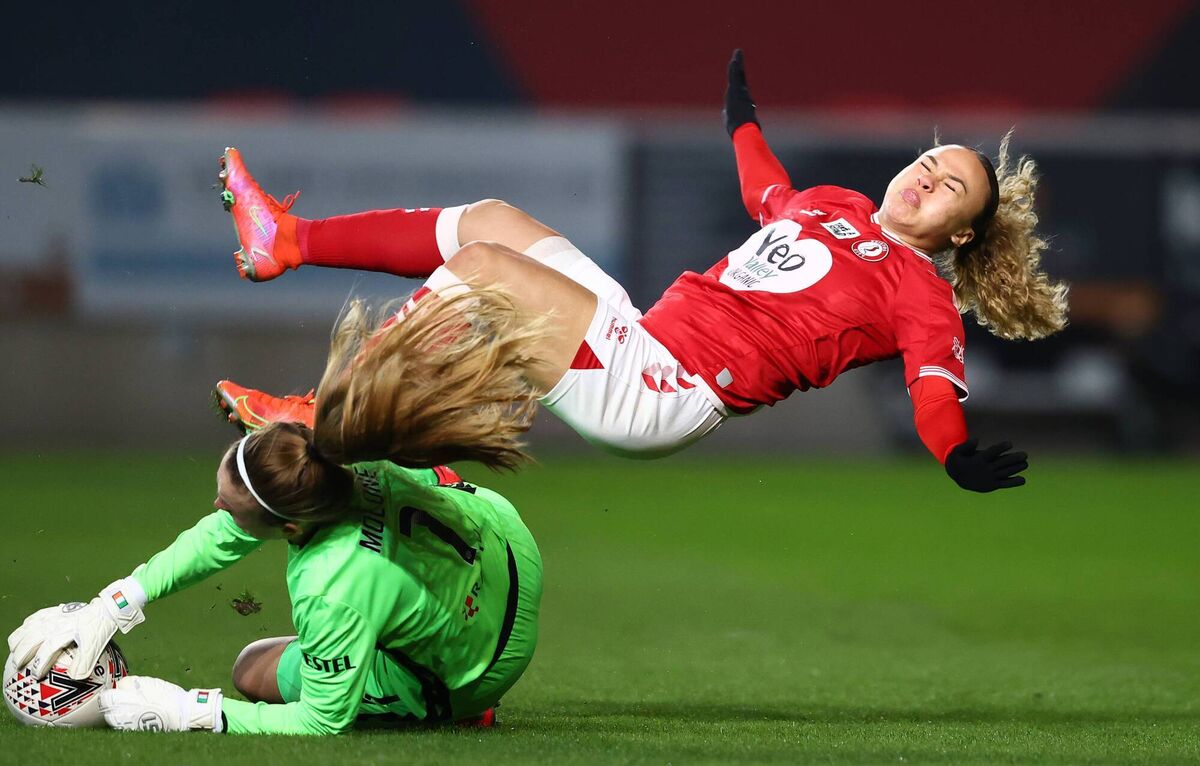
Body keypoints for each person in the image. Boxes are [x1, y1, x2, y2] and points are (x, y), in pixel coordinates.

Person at [217, 50, 1067, 493]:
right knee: (489, 222)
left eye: (952, 184)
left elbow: (932, 390)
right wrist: (742, 117)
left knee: (482, 266)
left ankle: (321, 412)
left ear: (960, 233)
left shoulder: (920, 292)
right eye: (930, 160)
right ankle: (285, 241)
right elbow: (766, 189)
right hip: (645, 336)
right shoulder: (836, 204)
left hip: (666, 391)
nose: (927, 176)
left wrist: (953, 457)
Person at [6, 294, 545, 735]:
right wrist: (115, 604)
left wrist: (191, 711)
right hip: (510, 549)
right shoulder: (346, 456)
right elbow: (225, 532)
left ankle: (461, 705)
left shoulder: (329, 586)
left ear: (291, 527)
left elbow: (321, 721)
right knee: (412, 488)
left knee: (252, 671)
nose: (218, 508)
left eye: (229, 505)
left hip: (482, 665)